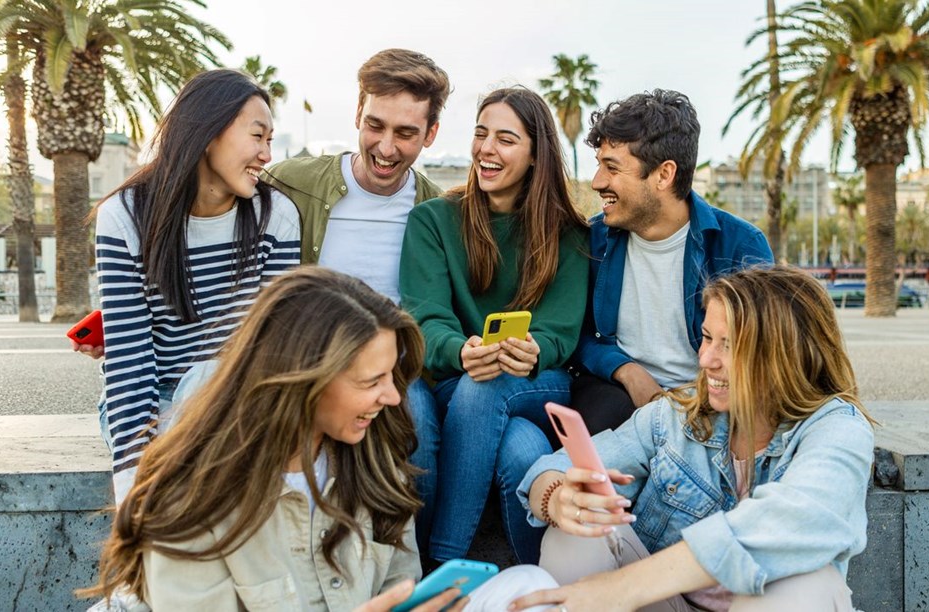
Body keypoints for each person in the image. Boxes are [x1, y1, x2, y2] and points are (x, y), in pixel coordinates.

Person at [81, 267, 559, 612]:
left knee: (531, 587)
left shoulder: (375, 459)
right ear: (302, 381)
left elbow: (401, 578)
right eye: (371, 381)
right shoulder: (191, 494)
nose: (394, 398)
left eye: (391, 377)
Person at [514, 266, 876, 612]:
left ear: (786, 356)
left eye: (729, 346)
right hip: (668, 604)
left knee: (808, 584)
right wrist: (557, 496)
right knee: (575, 533)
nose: (706, 360)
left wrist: (622, 588)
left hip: (762, 604)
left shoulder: (837, 428)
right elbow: (553, 467)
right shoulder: (676, 416)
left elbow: (796, 522)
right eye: (706, 338)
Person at [91, 69, 301, 503]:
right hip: (159, 400)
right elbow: (130, 366)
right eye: (257, 136)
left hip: (243, 399)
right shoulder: (125, 216)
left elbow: (277, 348)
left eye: (269, 140)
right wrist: (133, 491)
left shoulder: (276, 216)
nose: (266, 154)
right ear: (207, 133)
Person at [400, 87, 589, 566]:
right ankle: (530, 580)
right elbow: (425, 317)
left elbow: (560, 331)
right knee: (520, 451)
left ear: (534, 154)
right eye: (481, 134)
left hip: (534, 382)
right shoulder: (434, 221)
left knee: (490, 383)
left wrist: (535, 349)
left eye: (505, 139)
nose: (486, 148)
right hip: (452, 374)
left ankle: (441, 567)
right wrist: (462, 350)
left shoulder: (568, 233)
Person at [571, 90, 773, 436]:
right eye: (598, 164)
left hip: (714, 399)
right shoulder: (593, 240)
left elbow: (764, 353)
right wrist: (626, 370)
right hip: (616, 396)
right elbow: (578, 333)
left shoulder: (740, 247)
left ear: (664, 175)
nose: (597, 182)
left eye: (612, 167)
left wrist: (697, 398)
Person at [263, 48, 450, 302]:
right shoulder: (287, 182)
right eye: (375, 125)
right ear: (358, 113)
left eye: (405, 134)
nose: (386, 147)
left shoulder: (440, 212)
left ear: (430, 134)